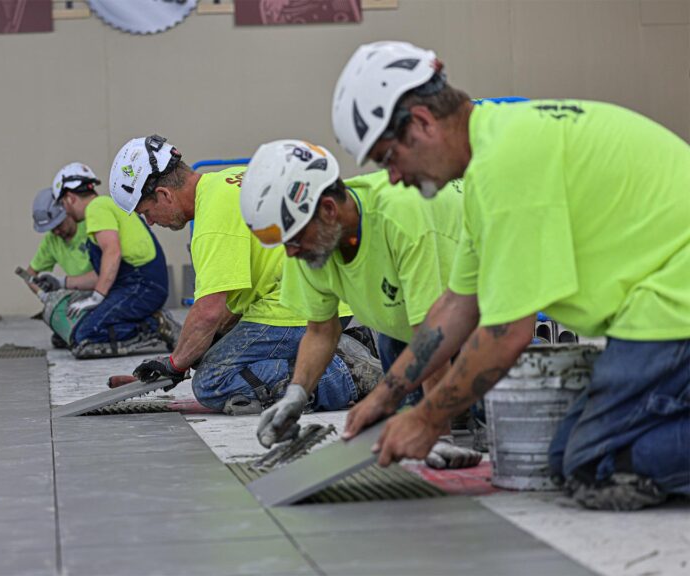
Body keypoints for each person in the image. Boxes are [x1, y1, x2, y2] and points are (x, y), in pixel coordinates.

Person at [334, 41, 690, 510]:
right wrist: (385, 396)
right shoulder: (493, 156)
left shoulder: (507, 163)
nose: (393, 177)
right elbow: (457, 306)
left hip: (672, 304)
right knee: (564, 460)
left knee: (594, 466)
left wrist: (427, 419)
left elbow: (506, 334)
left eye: (388, 158)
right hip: (660, 304)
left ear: (421, 123)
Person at [240, 139, 481, 469]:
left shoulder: (403, 217)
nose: (290, 252)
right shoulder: (311, 243)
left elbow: (435, 332)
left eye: (294, 239)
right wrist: (296, 394)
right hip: (408, 328)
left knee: (495, 431)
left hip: (483, 314)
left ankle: (472, 402)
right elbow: (321, 330)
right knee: (405, 421)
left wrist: (434, 428)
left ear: (328, 209)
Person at [108, 135, 368, 416]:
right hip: (325, 297)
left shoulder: (211, 220)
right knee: (209, 351)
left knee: (212, 381)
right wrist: (190, 353)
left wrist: (175, 364)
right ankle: (343, 349)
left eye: (147, 212)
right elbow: (229, 305)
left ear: (164, 195)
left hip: (299, 307)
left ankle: (346, 373)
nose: (150, 222)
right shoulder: (227, 181)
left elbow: (209, 311)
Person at [50, 162, 178, 358]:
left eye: (62, 205)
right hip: (142, 286)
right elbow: (105, 273)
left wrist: (96, 298)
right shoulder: (106, 206)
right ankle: (151, 321)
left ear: (69, 198)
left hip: (141, 287)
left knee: (84, 337)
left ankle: (155, 325)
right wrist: (61, 282)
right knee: (77, 333)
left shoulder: (96, 209)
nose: (64, 211)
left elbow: (112, 252)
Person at [26, 187, 93, 348]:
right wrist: (43, 295)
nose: (56, 231)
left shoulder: (89, 224)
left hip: (106, 289)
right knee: (62, 337)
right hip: (80, 296)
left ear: (67, 211)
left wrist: (61, 282)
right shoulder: (52, 241)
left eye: (58, 224)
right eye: (51, 229)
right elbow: (29, 274)